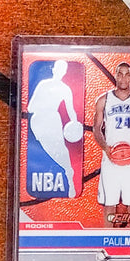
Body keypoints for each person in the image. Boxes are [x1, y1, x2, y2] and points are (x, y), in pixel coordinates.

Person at [92, 62, 130, 224]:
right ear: (115, 75)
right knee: (109, 204)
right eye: (120, 73)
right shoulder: (103, 100)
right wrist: (106, 148)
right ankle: (108, 243)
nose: (123, 77)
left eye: (127, 74)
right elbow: (96, 128)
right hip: (110, 157)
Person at [27, 60, 80, 198]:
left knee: (61, 149)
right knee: (52, 149)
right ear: (54, 70)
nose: (60, 72)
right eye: (59, 69)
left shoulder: (65, 89)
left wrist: (75, 123)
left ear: (63, 72)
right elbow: (30, 107)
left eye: (63, 70)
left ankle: (69, 175)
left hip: (52, 120)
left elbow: (71, 110)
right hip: (39, 121)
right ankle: (67, 171)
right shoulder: (43, 85)